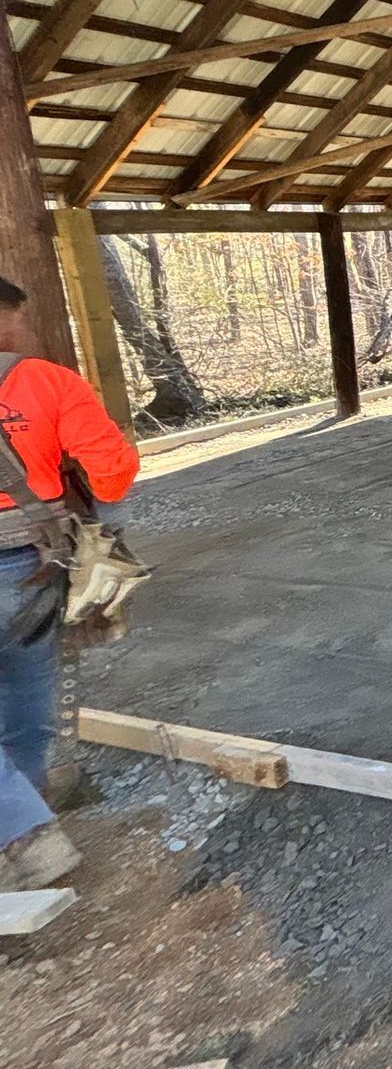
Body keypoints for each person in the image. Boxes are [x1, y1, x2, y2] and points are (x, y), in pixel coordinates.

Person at [0, 273, 140, 890]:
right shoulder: (49, 382)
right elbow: (111, 475)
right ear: (7, 319)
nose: (26, 330)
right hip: (32, 565)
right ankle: (24, 831)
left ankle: (22, 833)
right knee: (28, 705)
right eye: (22, 319)